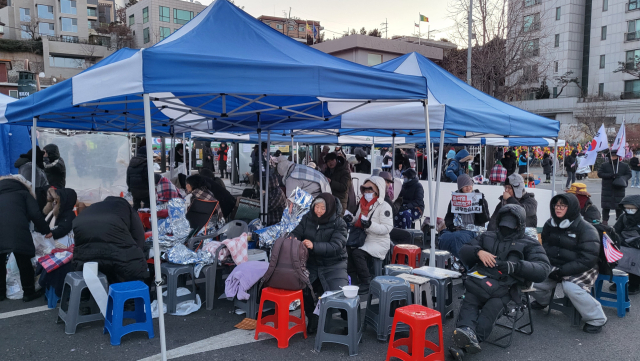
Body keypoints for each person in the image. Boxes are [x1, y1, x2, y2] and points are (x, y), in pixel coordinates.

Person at [450, 204, 550, 360]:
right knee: (470, 299)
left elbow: (543, 269)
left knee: (492, 307)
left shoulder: (530, 243)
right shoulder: (487, 236)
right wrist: (478, 252)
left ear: (519, 225)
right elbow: (464, 251)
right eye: (503, 225)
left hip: (508, 289)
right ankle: (465, 333)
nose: (506, 228)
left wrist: (516, 267)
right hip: (481, 283)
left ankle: (467, 341)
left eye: (510, 226)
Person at [530, 193, 607, 334]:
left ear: (571, 208)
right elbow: (545, 247)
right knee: (530, 280)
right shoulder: (549, 224)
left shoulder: (587, 229)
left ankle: (597, 319)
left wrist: (562, 271)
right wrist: (543, 264)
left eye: (563, 205)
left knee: (571, 288)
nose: (558, 208)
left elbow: (588, 259)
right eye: (556, 205)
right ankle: (543, 301)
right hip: (557, 265)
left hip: (583, 267)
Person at [291, 193, 348, 334]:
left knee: (341, 293)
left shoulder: (339, 223)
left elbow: (336, 246)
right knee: (305, 288)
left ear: (329, 209)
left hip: (334, 265)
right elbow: (296, 233)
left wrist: (313, 245)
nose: (319, 211)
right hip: (312, 264)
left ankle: (349, 319)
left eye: (323, 208)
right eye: (317, 206)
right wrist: (293, 239)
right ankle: (312, 318)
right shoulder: (307, 218)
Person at [73, 196, 149, 284]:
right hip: (117, 259)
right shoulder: (127, 208)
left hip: (85, 259)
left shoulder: (93, 208)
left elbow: (79, 243)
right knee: (134, 267)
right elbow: (139, 237)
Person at [0, 175, 51, 302]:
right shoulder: (23, 193)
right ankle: (28, 292)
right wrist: (46, 231)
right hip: (18, 229)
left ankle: (0, 294)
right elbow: (35, 214)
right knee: (24, 261)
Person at [346, 177, 393, 295]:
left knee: (357, 253)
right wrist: (350, 219)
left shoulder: (384, 206)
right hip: (364, 238)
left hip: (379, 241)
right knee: (347, 249)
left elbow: (387, 228)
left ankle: (367, 282)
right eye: (365, 190)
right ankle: (354, 278)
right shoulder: (362, 204)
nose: (367, 193)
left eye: (370, 190)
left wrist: (370, 225)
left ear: (377, 191)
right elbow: (357, 220)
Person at [438, 175, 490, 258]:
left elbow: (485, 219)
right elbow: (448, 217)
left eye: (470, 185)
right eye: (465, 186)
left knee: (458, 238)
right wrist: (451, 226)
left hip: (473, 230)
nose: (468, 187)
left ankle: (462, 262)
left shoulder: (479, 198)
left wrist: (481, 206)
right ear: (460, 187)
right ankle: (446, 260)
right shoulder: (455, 200)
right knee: (444, 237)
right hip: (457, 229)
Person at [613, 195, 640, 294]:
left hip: (637, 246)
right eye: (627, 208)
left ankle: (635, 284)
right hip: (624, 243)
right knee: (617, 258)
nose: (629, 210)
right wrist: (619, 239)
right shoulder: (623, 217)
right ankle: (619, 280)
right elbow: (615, 230)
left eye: (632, 209)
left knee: (635, 259)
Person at [598, 149, 631, 225]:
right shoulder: (604, 165)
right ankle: (605, 221)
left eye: (615, 156)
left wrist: (622, 178)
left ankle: (619, 221)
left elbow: (629, 174)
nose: (613, 157)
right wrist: (611, 175)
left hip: (619, 188)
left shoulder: (624, 166)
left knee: (619, 206)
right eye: (612, 156)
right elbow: (600, 174)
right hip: (607, 188)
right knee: (606, 206)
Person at [126, 146, 150, 210]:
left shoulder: (131, 163)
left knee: (136, 206)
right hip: (145, 190)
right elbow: (147, 178)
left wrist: (130, 188)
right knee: (147, 206)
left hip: (134, 190)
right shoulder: (146, 163)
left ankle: (134, 218)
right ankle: (144, 218)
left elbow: (128, 178)